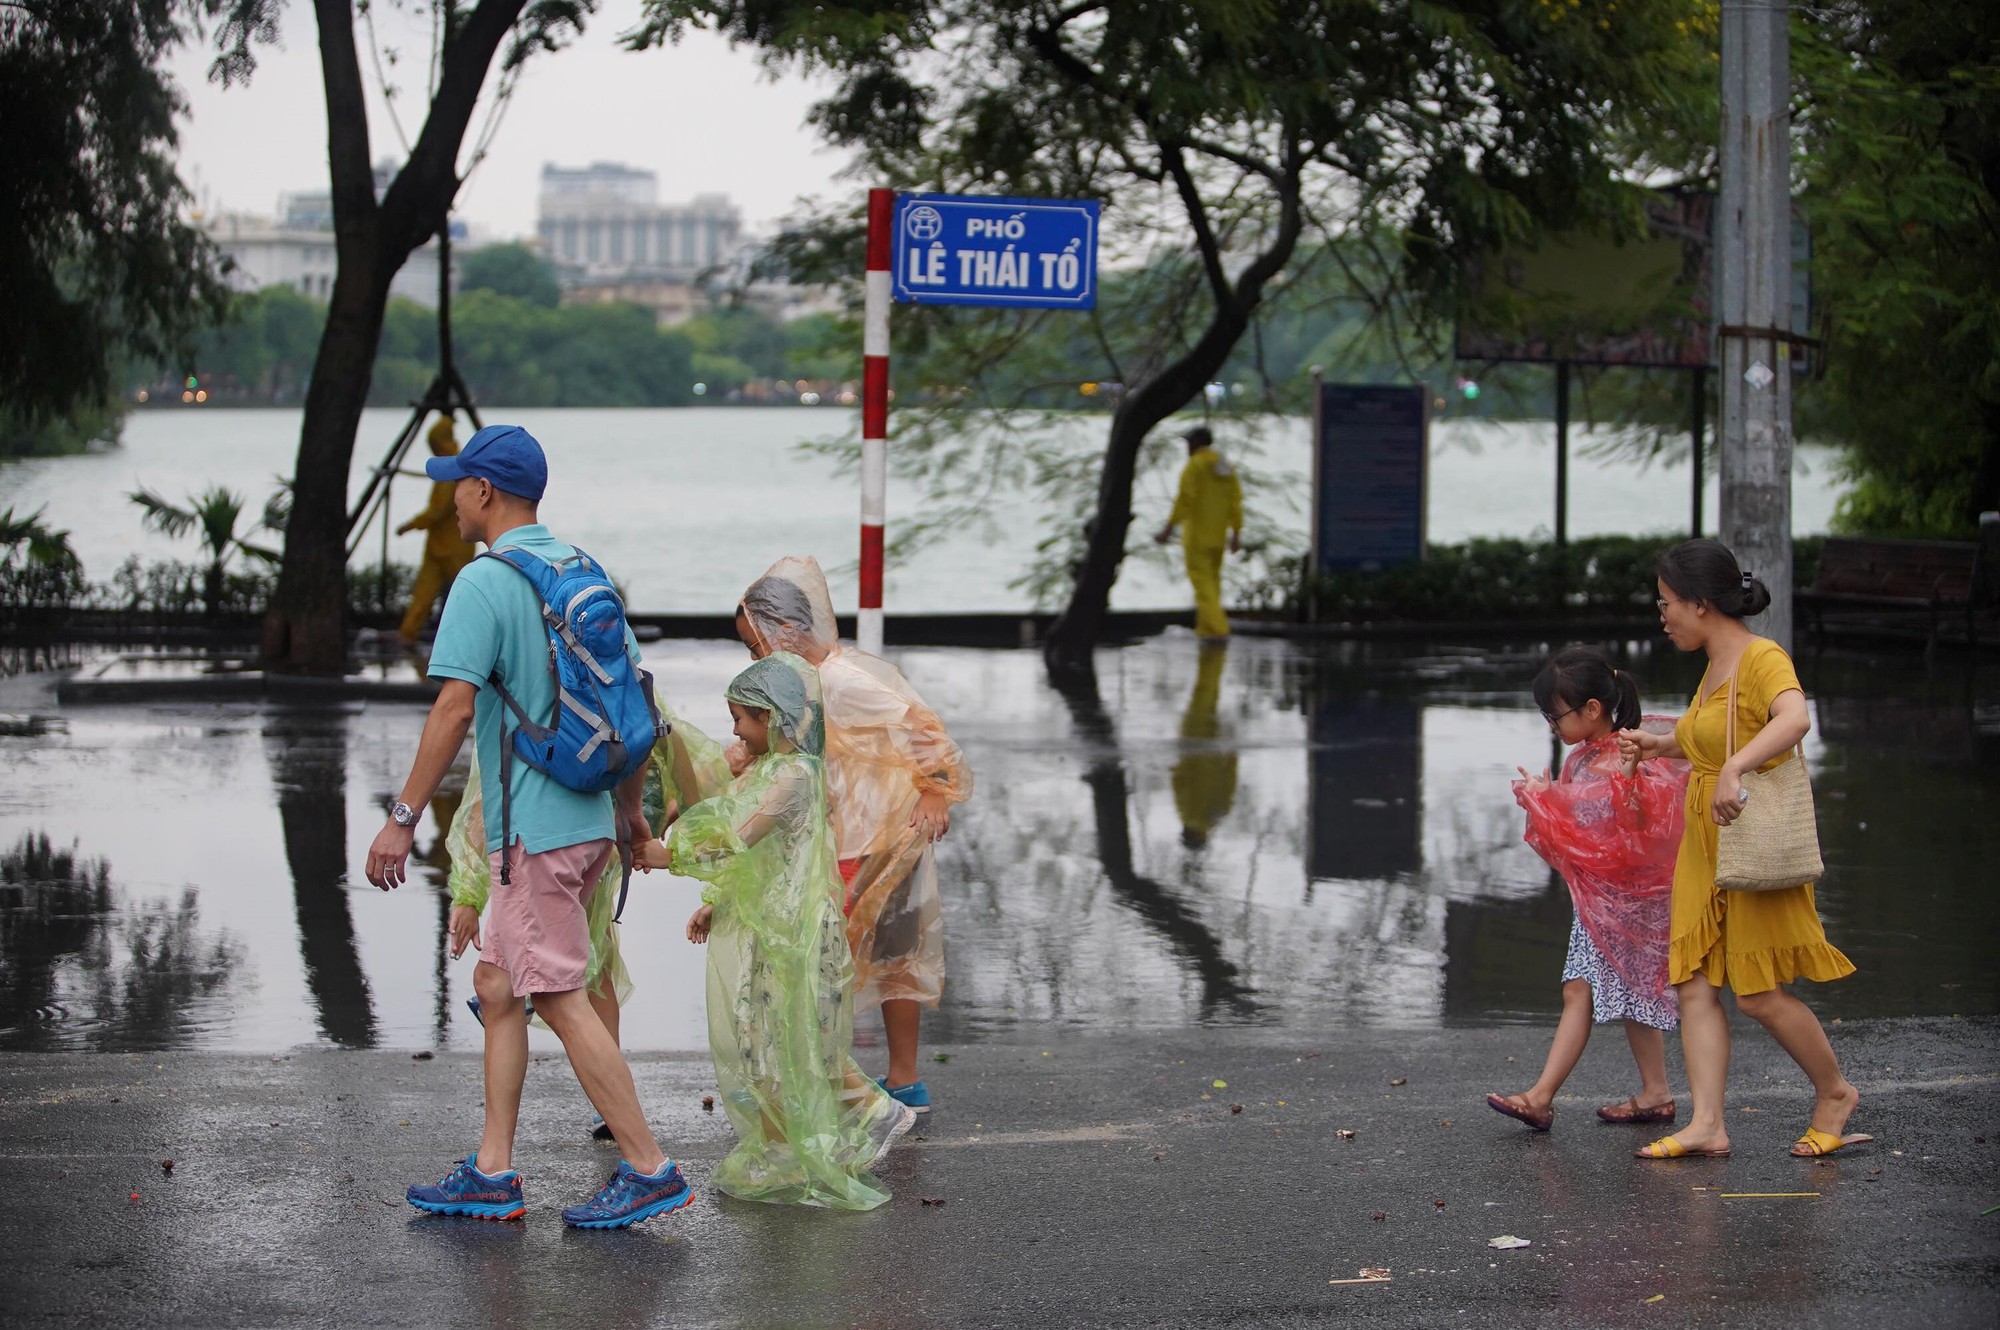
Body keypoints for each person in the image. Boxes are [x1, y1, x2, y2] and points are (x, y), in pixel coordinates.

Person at [364, 423, 694, 1228]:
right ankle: (492, 1170)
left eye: (458, 484)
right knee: (499, 984)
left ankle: (648, 1167)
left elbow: (453, 709)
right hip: (587, 822)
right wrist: (627, 816)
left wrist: (402, 819)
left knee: (556, 994)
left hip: (533, 833)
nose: (452, 499)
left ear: (484, 490)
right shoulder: (581, 570)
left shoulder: (484, 582)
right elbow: (635, 705)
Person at [636, 652, 917, 1209]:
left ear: (770, 716)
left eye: (741, 718)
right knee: (765, 1039)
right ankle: (781, 1146)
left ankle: (874, 1112)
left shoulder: (793, 776)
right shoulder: (772, 770)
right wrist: (716, 902)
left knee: (793, 1037)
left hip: (794, 929)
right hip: (770, 923)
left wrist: (668, 855)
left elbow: (739, 838)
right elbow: (757, 859)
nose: (735, 731)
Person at [1618, 538, 1867, 1161]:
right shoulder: (1714, 666)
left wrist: (1734, 768)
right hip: (1706, 843)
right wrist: (1659, 744)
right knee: (1695, 983)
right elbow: (1709, 735)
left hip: (1750, 840)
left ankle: (1835, 1092)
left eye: (1666, 603)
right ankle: (1707, 1124)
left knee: (1757, 994)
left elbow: (1794, 718)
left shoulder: (1762, 658)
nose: (1662, 615)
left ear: (1701, 603)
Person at [736, 557, 972, 1115]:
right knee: (861, 956)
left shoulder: (840, 678)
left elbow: (920, 723)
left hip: (876, 839)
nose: (754, 658)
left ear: (787, 631)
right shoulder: (801, 683)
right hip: (852, 835)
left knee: (862, 958)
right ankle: (849, 1074)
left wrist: (936, 789)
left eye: (755, 646)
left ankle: (872, 1077)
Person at [444, 694, 730, 1139]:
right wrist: (672, 825)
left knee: (564, 981)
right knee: (589, 965)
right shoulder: (618, 678)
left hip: (547, 838)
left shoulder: (525, 686)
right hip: (604, 835)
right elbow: (678, 754)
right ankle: (608, 1120)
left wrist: (468, 893)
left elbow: (487, 795)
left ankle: (634, 1146)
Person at [1486, 645, 1689, 1133]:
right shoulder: (1580, 760)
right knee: (1619, 992)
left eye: (1555, 716)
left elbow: (1640, 828)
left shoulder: (1631, 754)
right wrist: (1544, 799)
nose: (1551, 726)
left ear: (1592, 709)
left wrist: (1616, 785)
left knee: (1587, 991)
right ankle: (1656, 1092)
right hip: (1600, 900)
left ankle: (1541, 1098)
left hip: (1633, 903)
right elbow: (1577, 828)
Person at [1152, 425, 1243, 640]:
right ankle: (1205, 630)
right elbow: (1235, 502)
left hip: (1197, 537)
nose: (1187, 447)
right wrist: (1236, 533)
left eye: (1189, 442)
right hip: (1218, 537)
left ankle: (1219, 630)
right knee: (1212, 586)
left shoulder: (1195, 466)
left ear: (1197, 443)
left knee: (1203, 588)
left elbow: (1185, 500)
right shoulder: (1225, 467)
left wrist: (1168, 529)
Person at [394, 414, 478, 645]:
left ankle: (465, 640)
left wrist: (411, 525)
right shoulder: (448, 466)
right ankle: (407, 633)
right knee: (424, 590)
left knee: (461, 594)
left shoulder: (455, 469)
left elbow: (439, 510)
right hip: (437, 545)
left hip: (456, 548)